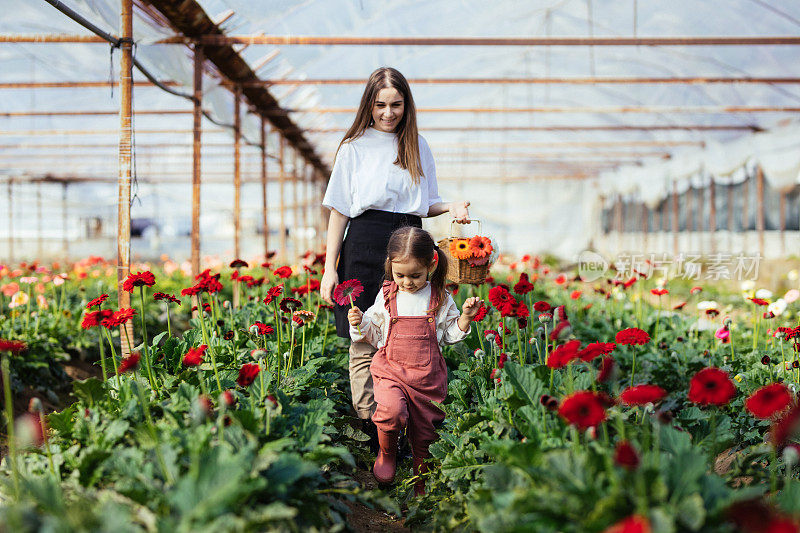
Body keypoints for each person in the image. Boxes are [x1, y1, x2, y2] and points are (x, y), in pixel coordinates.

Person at [320, 67, 471, 440]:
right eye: (381, 104)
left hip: (409, 241)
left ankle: (407, 414)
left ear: (407, 105)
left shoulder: (417, 146)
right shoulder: (353, 148)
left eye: (397, 105)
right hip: (364, 241)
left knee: (410, 327)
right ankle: (374, 424)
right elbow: (339, 209)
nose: (389, 113)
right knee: (363, 334)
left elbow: (426, 202)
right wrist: (329, 268)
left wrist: (451, 205)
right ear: (369, 105)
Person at [347, 226, 482, 495]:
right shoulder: (386, 295)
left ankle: (421, 471)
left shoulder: (440, 297)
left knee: (425, 431)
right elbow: (375, 336)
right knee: (391, 413)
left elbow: (447, 336)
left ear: (431, 264)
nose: (407, 282)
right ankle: (387, 453)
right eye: (400, 275)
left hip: (427, 377)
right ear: (390, 266)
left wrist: (465, 318)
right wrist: (359, 323)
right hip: (391, 371)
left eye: (415, 275)